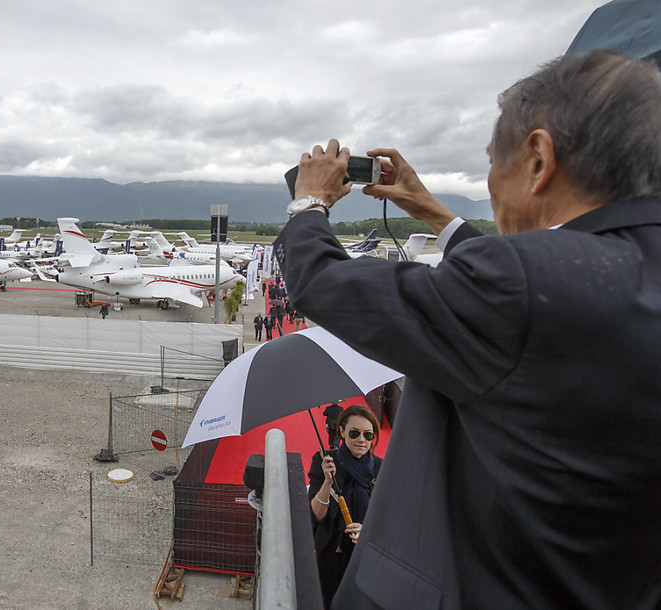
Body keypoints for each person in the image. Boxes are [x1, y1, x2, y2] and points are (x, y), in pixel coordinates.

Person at [274, 51, 661, 609]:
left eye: (492, 160)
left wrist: (308, 203)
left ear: (537, 158)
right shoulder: (598, 278)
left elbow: (324, 285)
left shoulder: (519, 284)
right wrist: (432, 211)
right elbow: (544, 289)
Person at [308, 405, 382, 608]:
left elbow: (390, 518)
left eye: (368, 435)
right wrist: (327, 482)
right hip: (330, 556)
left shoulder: (381, 468)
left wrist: (366, 531)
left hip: (366, 556)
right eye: (354, 433)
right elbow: (315, 515)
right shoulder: (323, 461)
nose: (362, 440)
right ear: (341, 431)